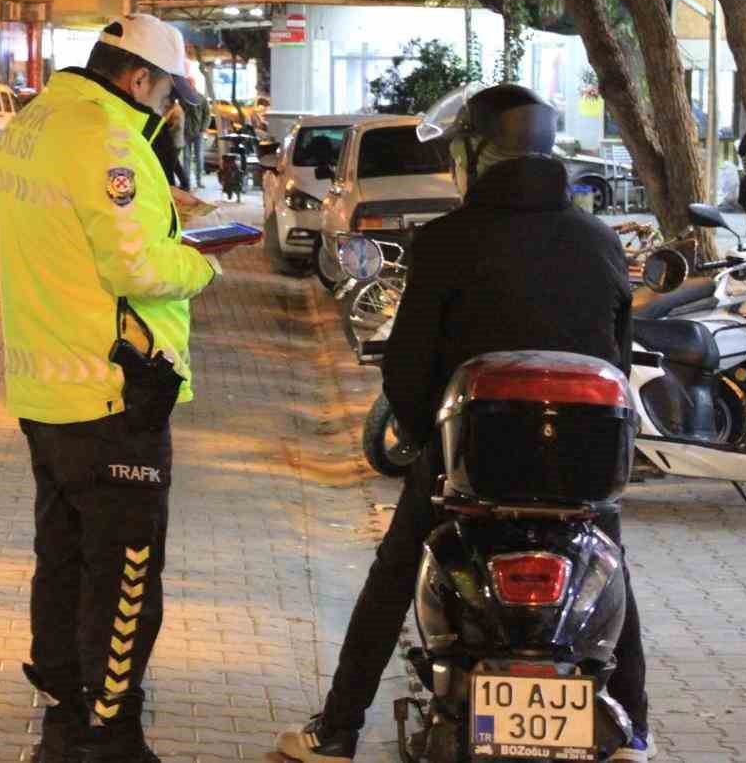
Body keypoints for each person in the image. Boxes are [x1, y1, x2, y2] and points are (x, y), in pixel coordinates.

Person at [275, 84, 652, 763]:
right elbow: (616, 364)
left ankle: (336, 732)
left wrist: (426, 442)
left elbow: (409, 369)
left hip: (471, 468)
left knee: (392, 576)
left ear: (478, 155)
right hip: (582, 477)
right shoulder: (598, 241)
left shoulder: (446, 242)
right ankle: (636, 735)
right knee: (610, 575)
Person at [0, 13, 220, 763]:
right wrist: (203, 259)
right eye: (165, 94)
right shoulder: (110, 138)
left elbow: (79, 236)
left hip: (46, 387)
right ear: (137, 78)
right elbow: (139, 269)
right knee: (125, 568)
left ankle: (64, 699)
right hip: (114, 391)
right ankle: (110, 729)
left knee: (62, 551)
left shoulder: (35, 123)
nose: (167, 110)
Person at [153, 100, 189, 189]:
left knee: (168, 169)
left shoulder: (173, 108)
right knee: (176, 167)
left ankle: (171, 188)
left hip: (173, 143)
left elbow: (163, 120)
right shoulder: (175, 107)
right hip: (177, 142)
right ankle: (185, 184)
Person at [181, 74, 208, 189]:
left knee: (199, 157)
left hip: (198, 133)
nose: (188, 86)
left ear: (194, 84)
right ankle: (186, 181)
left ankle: (199, 180)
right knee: (186, 158)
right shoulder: (183, 98)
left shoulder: (201, 98)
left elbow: (207, 115)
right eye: (187, 84)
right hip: (186, 132)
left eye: (189, 83)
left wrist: (203, 128)